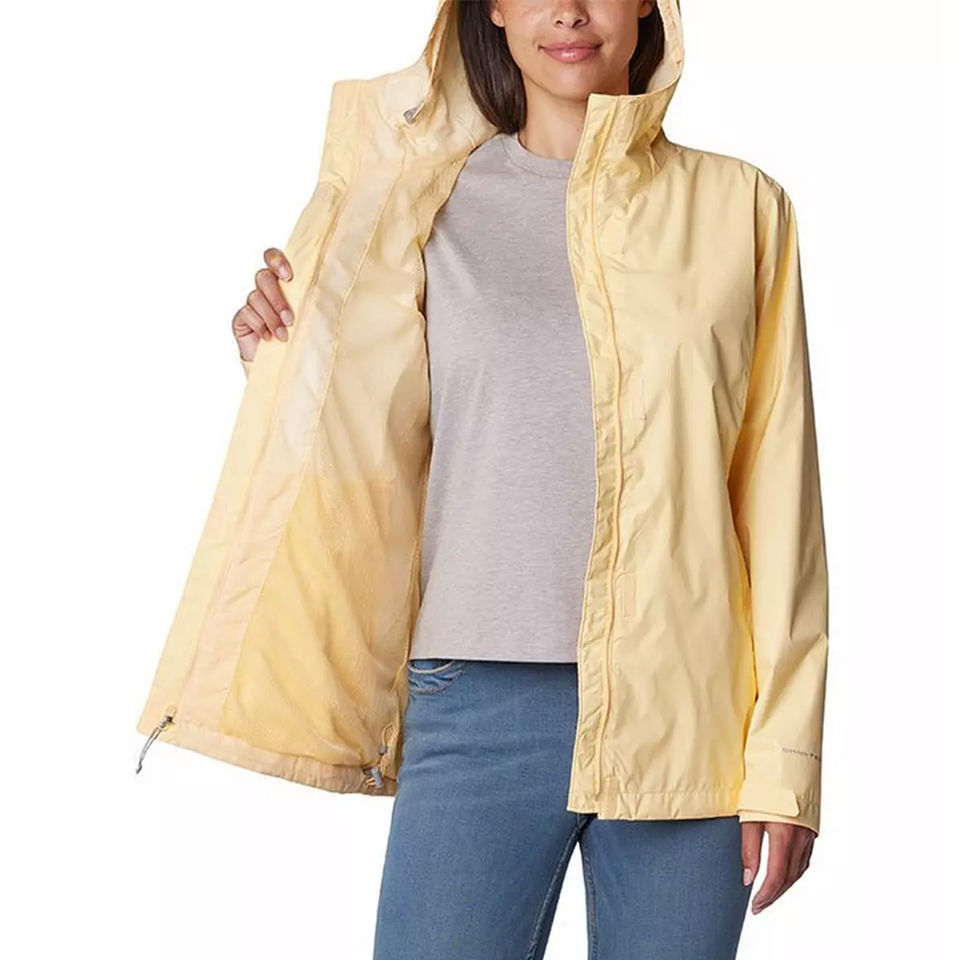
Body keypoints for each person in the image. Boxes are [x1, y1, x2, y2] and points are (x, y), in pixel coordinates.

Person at [222, 2, 828, 958]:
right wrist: (280, 359)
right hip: (474, 698)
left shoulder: (739, 208)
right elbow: (367, 435)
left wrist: (785, 764)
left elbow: (781, 494)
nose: (570, 12)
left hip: (691, 709)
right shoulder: (420, 206)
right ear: (493, 9)